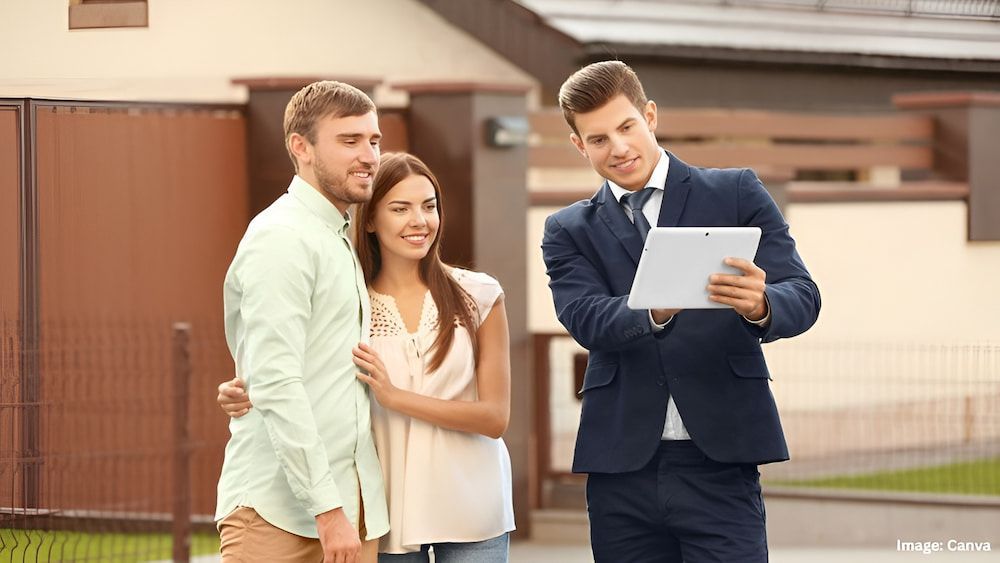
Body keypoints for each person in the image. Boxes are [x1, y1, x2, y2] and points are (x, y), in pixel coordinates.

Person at [541, 60, 821, 562]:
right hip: (620, 469)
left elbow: (802, 294)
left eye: (626, 127)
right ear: (580, 146)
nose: (619, 148)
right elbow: (584, 319)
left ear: (649, 116)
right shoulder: (568, 229)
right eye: (599, 139)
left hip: (721, 460)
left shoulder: (735, 191)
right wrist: (655, 306)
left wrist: (762, 304)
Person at [219, 152, 516, 563]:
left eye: (429, 207)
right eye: (400, 208)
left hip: (473, 503)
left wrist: (397, 398)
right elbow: (290, 368)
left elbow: (495, 418)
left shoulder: (479, 294)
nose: (420, 221)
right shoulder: (352, 303)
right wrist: (243, 389)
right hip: (387, 510)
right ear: (371, 220)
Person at [215, 80, 388, 563]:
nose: (369, 156)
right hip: (282, 514)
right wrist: (327, 510)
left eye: (374, 141)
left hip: (351, 510)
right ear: (301, 147)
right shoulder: (282, 237)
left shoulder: (336, 233)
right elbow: (276, 381)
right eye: (349, 141)